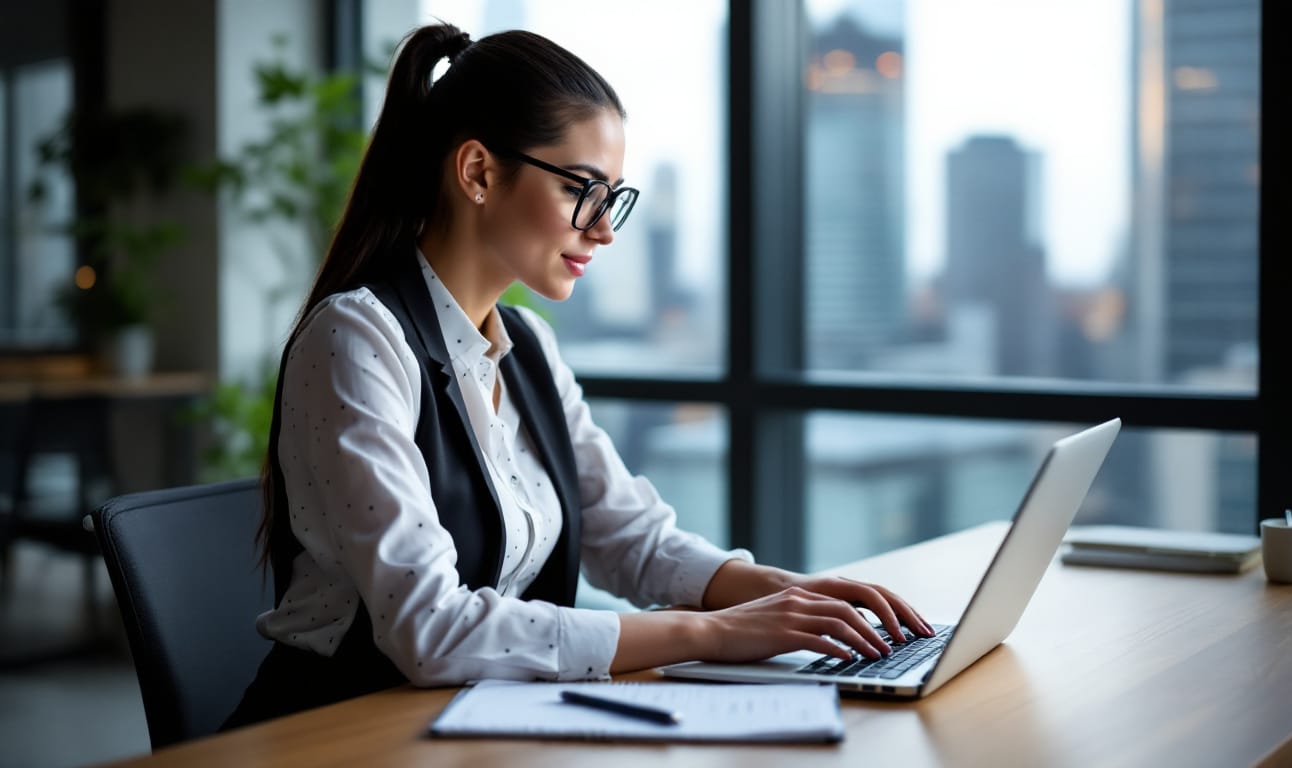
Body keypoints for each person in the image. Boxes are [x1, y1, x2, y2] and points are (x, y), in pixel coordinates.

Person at [225, 21, 932, 729]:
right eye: (583, 191)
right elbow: (431, 629)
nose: (604, 230)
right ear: (477, 172)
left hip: (475, 727)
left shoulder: (527, 346)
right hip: (341, 730)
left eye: (613, 198)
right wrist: (715, 630)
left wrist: (798, 595)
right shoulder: (358, 339)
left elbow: (632, 538)